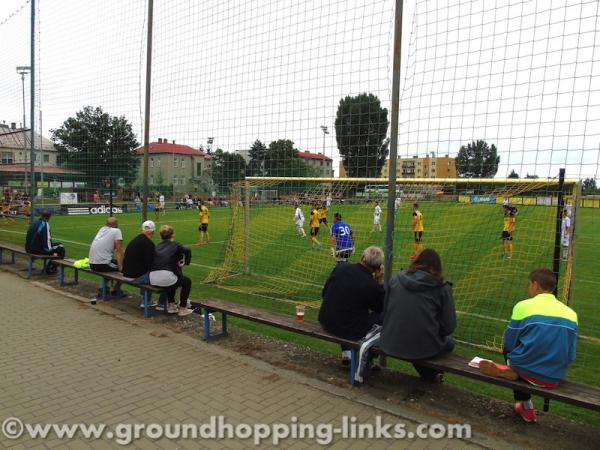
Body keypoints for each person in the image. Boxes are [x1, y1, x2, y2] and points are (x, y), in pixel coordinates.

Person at [478, 268, 578, 423]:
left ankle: (525, 402)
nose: (529, 287)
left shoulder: (523, 306)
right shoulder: (571, 314)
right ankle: (522, 376)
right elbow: (571, 354)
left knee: (508, 351)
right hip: (555, 376)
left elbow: (509, 343)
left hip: (527, 370)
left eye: (529, 284)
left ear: (536, 285)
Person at [374, 249, 456, 384]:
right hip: (418, 346)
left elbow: (386, 309)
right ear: (435, 267)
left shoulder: (396, 278)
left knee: (414, 338)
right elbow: (449, 326)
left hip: (389, 340)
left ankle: (431, 376)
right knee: (448, 342)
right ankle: (431, 376)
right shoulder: (441, 288)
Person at [319, 246, 385, 370]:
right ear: (378, 268)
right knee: (384, 317)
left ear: (362, 258)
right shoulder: (371, 284)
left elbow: (324, 293)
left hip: (325, 320)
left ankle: (347, 354)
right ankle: (366, 360)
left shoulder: (341, 268)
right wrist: (380, 282)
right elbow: (380, 307)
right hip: (347, 329)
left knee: (347, 310)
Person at [149, 225, 193, 316]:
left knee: (173, 279)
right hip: (165, 277)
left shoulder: (157, 246)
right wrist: (186, 262)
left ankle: (171, 305)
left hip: (152, 278)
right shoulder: (175, 244)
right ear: (172, 235)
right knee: (187, 281)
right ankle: (183, 308)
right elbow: (187, 249)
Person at [89, 217, 125, 295]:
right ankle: (115, 290)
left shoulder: (101, 229)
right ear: (116, 224)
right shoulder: (116, 231)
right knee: (126, 268)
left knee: (110, 264)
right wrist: (120, 267)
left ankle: (104, 287)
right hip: (101, 264)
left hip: (92, 263)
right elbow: (119, 250)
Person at [25, 210, 66, 274]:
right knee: (61, 248)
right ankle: (51, 269)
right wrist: (51, 252)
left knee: (58, 244)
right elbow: (47, 240)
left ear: (41, 215)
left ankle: (51, 267)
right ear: (49, 217)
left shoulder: (35, 222)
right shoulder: (45, 224)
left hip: (28, 248)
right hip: (36, 250)